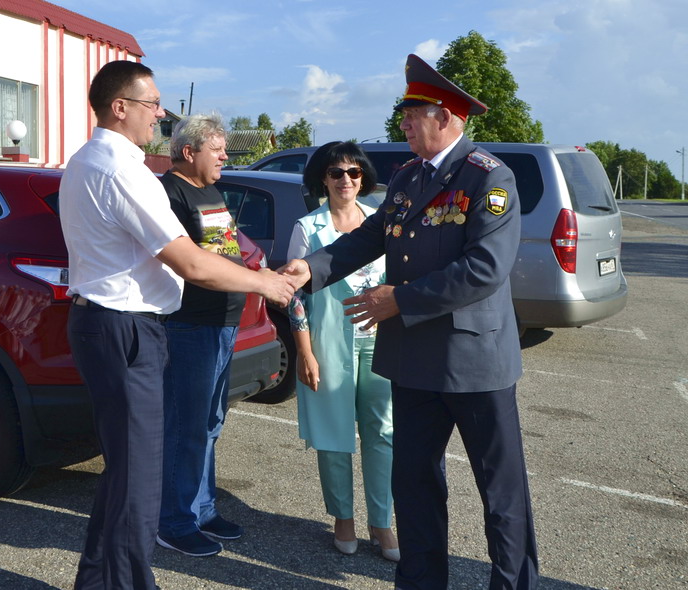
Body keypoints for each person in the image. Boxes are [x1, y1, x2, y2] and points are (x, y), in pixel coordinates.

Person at [280, 54, 539, 590]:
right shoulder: (406, 178)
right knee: (415, 487)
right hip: (414, 362)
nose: (402, 124)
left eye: (411, 113)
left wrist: (399, 300)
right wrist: (312, 267)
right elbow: (368, 238)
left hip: (475, 363)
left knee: (501, 493)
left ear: (443, 116)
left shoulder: (490, 177)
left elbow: (484, 269)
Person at [59, 60, 297, 590]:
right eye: (152, 104)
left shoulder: (85, 160)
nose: (161, 115)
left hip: (108, 326)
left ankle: (98, 581)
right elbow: (189, 262)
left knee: (126, 472)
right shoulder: (123, 170)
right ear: (119, 108)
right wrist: (267, 284)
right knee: (139, 478)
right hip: (124, 328)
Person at [286, 141, 398, 562]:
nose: (346, 180)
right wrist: (304, 351)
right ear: (322, 179)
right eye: (336, 173)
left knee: (383, 433)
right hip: (329, 342)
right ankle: (343, 518)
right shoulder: (307, 227)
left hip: (381, 341)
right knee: (334, 437)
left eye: (354, 172)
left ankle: (382, 522)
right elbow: (294, 297)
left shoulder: (381, 221)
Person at [156, 113, 245, 557]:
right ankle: (172, 520)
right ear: (188, 153)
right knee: (185, 426)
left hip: (224, 323)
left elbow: (224, 246)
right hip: (191, 325)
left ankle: (202, 510)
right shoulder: (167, 193)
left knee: (211, 424)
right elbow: (186, 262)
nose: (226, 156)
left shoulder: (209, 189)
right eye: (217, 149)